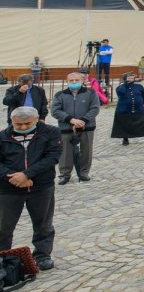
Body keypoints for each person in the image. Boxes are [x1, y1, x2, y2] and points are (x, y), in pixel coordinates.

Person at [0, 107, 62, 271]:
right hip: (9, 188)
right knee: (3, 226)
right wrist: (13, 177)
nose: (22, 127)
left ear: (36, 120)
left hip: (41, 186)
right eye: (18, 124)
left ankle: (42, 255)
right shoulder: (2, 137)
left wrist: (27, 175)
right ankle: (3, 257)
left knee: (43, 224)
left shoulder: (51, 133)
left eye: (27, 123)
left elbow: (52, 157)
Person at [51, 72, 100, 184]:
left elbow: (95, 109)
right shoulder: (60, 95)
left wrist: (83, 120)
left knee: (86, 150)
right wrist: (71, 120)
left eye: (76, 80)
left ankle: (84, 172)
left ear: (82, 81)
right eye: (71, 81)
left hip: (86, 127)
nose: (74, 82)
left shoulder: (91, 93)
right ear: (67, 81)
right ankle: (64, 174)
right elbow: (55, 111)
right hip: (66, 127)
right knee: (65, 152)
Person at [112, 72, 144, 145]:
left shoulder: (139, 86)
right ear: (125, 79)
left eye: (132, 78)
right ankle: (125, 139)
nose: (131, 80)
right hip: (124, 110)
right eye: (129, 78)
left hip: (139, 109)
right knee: (125, 124)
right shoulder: (120, 87)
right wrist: (124, 84)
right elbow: (120, 93)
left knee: (143, 124)